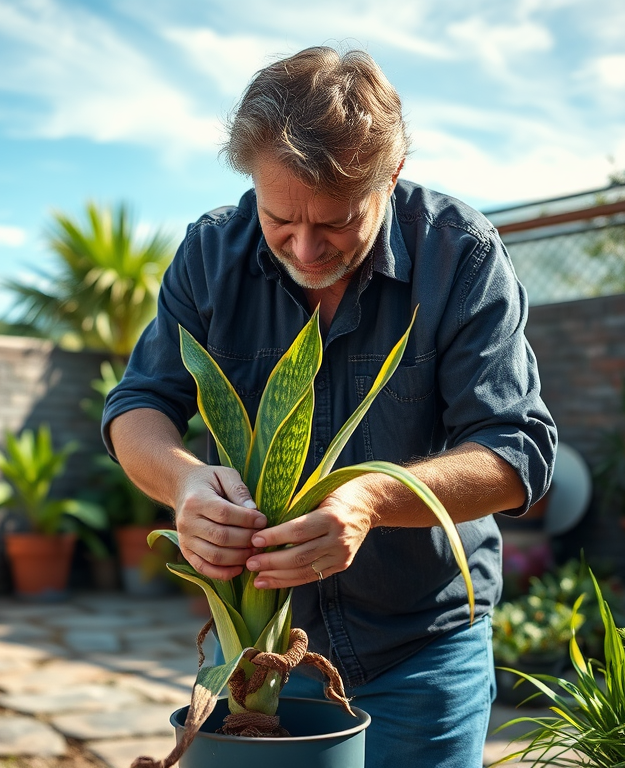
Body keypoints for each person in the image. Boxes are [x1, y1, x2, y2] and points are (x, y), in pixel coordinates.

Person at [102, 45, 557, 768]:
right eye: (281, 217)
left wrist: (372, 499)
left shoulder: (460, 255)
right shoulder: (210, 255)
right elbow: (137, 407)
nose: (307, 248)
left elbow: (516, 452)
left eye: (338, 222)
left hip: (422, 651)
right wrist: (184, 481)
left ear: (393, 175)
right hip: (252, 659)